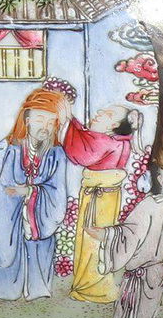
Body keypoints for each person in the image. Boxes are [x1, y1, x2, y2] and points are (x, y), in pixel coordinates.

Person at [0, 87, 68, 300]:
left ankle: (38, 290)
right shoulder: (9, 146)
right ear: (27, 120)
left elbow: (57, 190)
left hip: (39, 213)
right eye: (40, 119)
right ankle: (5, 291)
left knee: (41, 248)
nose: (45, 127)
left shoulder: (57, 153)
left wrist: (30, 191)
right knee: (5, 250)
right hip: (9, 209)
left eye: (51, 122)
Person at [59, 102, 140, 302]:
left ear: (114, 125)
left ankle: (93, 288)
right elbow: (86, 137)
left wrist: (68, 121)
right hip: (105, 196)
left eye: (107, 113)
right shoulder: (118, 141)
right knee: (98, 242)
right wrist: (71, 120)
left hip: (98, 198)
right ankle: (90, 285)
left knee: (92, 242)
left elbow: (82, 153)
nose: (99, 113)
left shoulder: (106, 142)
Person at [95, 166, 163, 318]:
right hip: (158, 268)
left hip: (141, 269)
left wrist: (108, 234)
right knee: (147, 309)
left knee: (131, 307)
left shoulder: (148, 206)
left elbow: (130, 234)